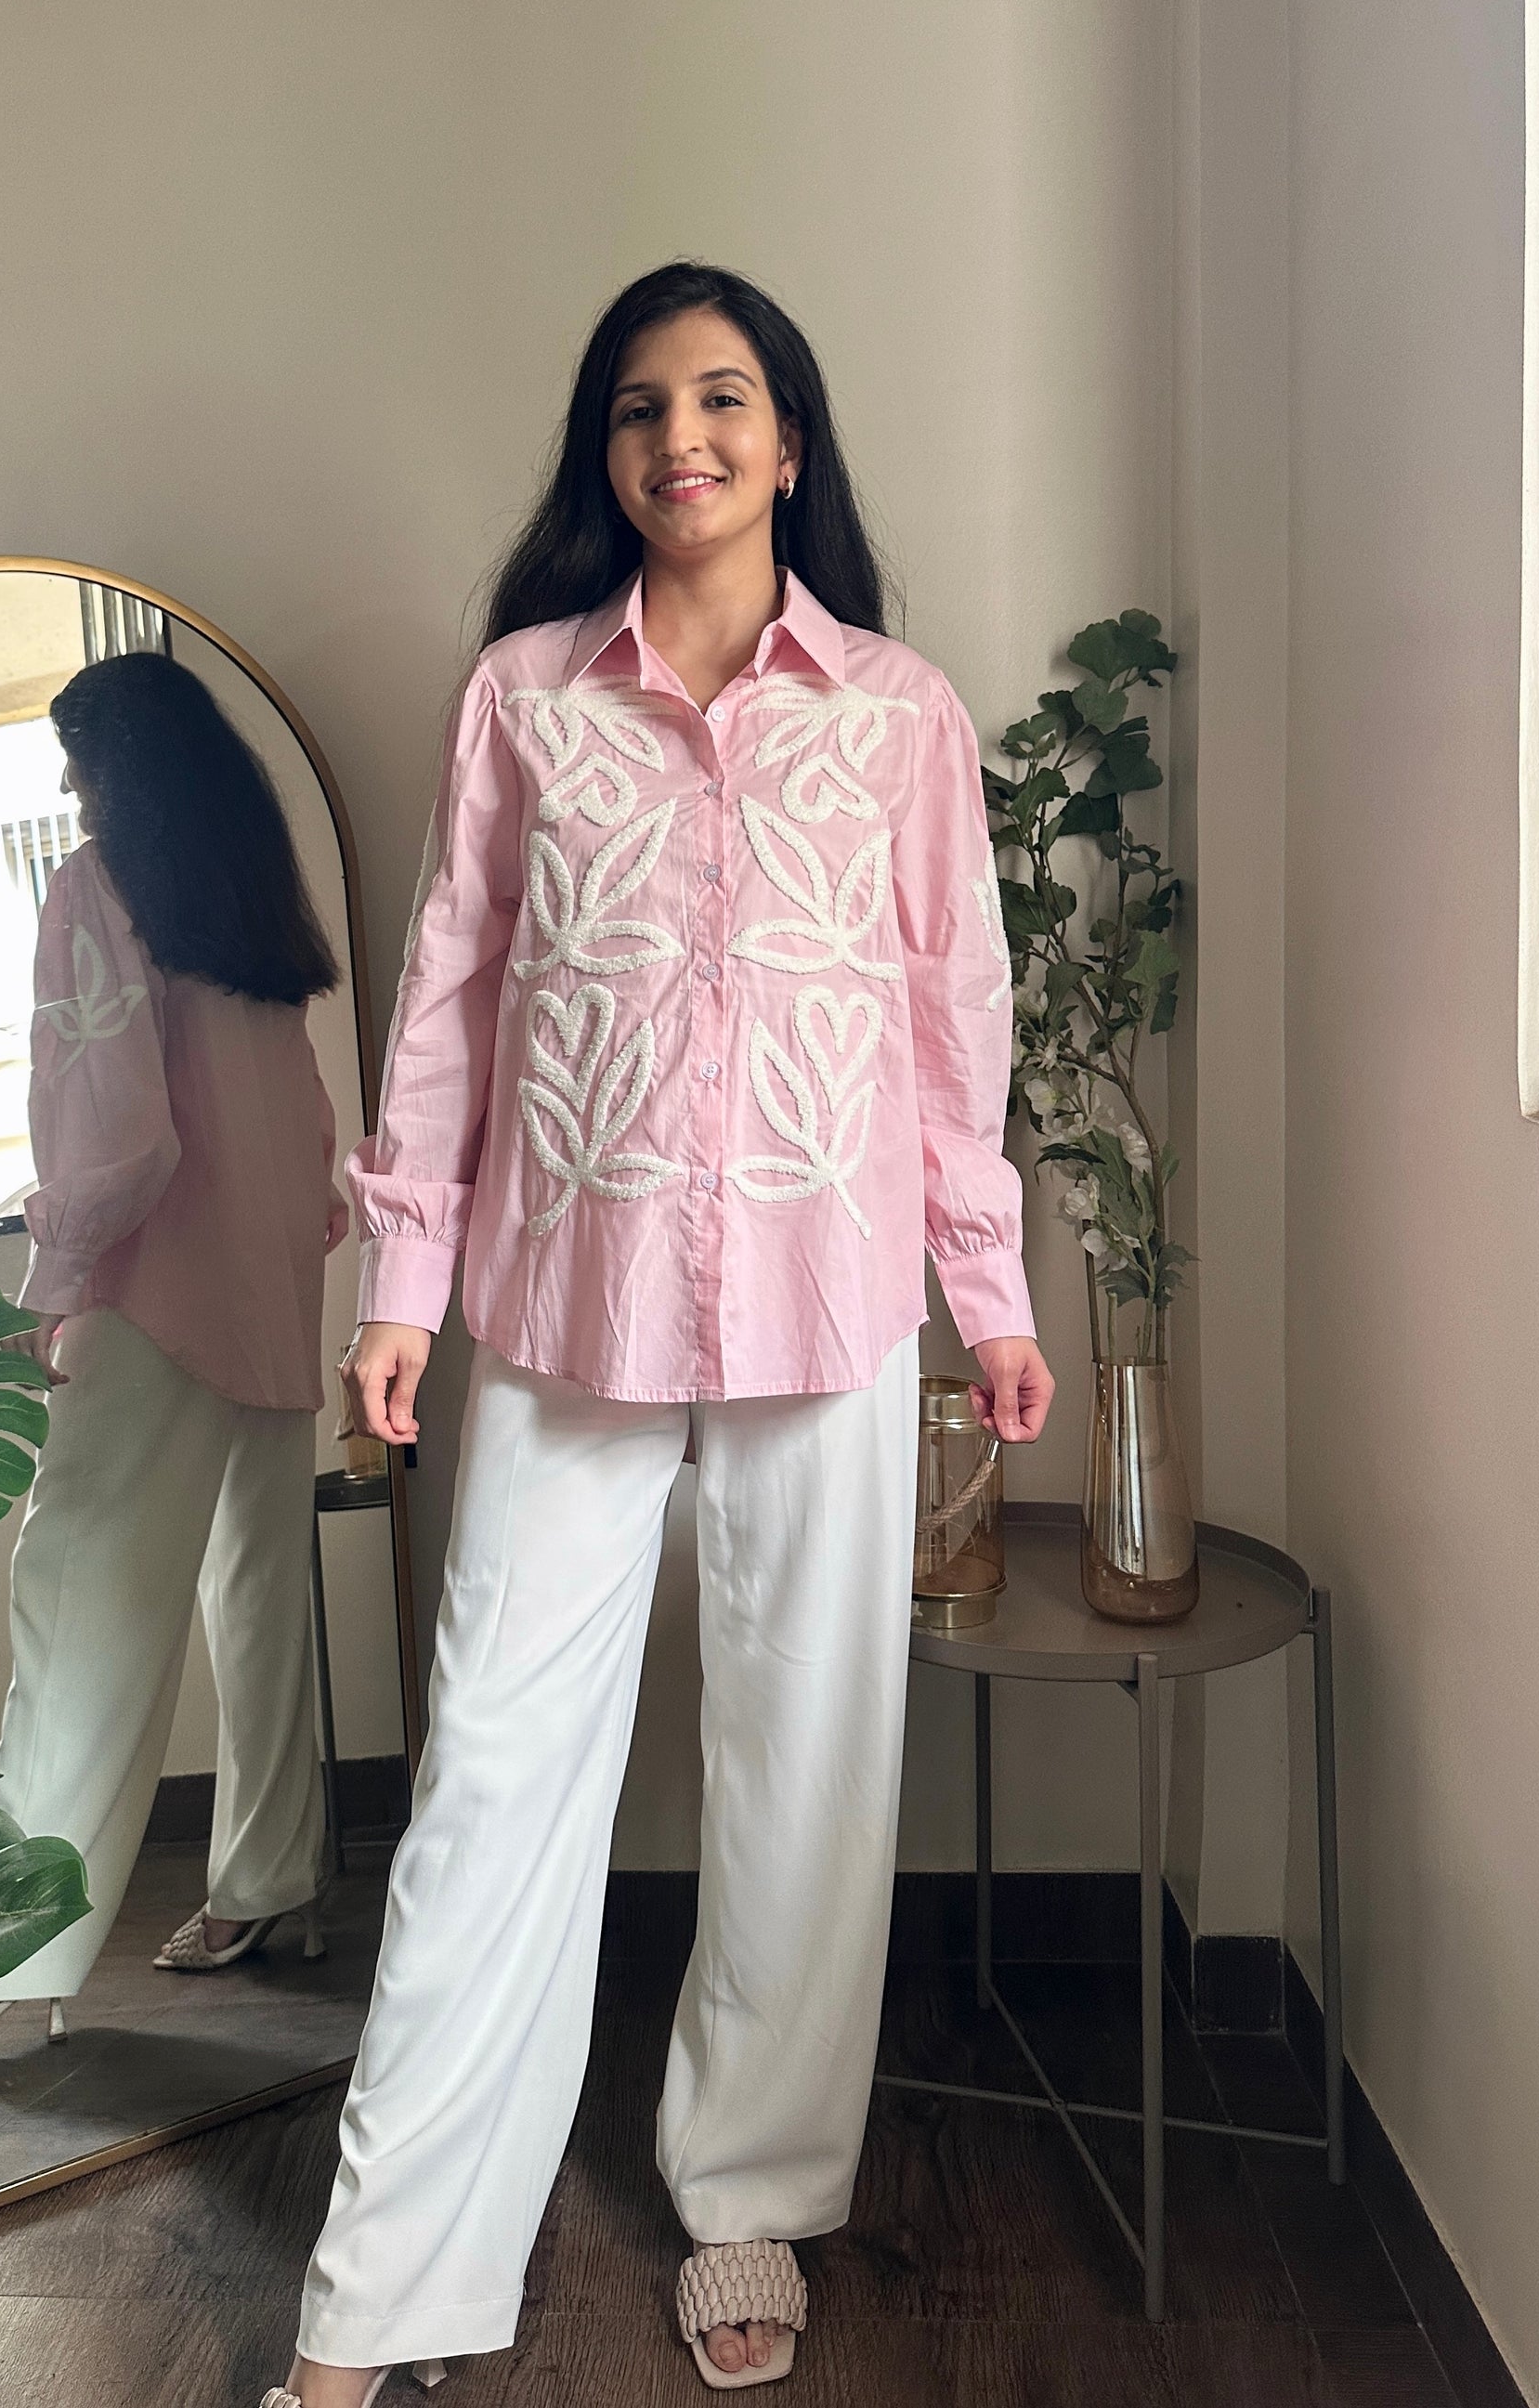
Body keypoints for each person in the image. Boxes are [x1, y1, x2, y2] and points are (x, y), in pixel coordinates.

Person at [264, 262, 1055, 2405]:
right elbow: (446, 997)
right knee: (489, 1780)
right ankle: (381, 2289)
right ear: (603, 453)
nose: (677, 436)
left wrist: (986, 1292)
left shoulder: (897, 713)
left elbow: (949, 1023)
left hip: (827, 1298)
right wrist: (399, 1286)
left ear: (789, 441)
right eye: (637, 405)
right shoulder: (523, 696)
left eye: (720, 398)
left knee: (807, 1766)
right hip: (561, 1299)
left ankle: (751, 2195)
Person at [0, 652, 349, 2087]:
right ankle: (270, 1884)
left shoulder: (99, 885)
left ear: (118, 769)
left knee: (76, 1618)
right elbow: (304, 1118)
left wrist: (57, 1278)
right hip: (272, 1280)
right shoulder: (248, 891)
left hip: (158, 1292)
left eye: (77, 765)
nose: (69, 792)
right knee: (258, 1596)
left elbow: (120, 1133)